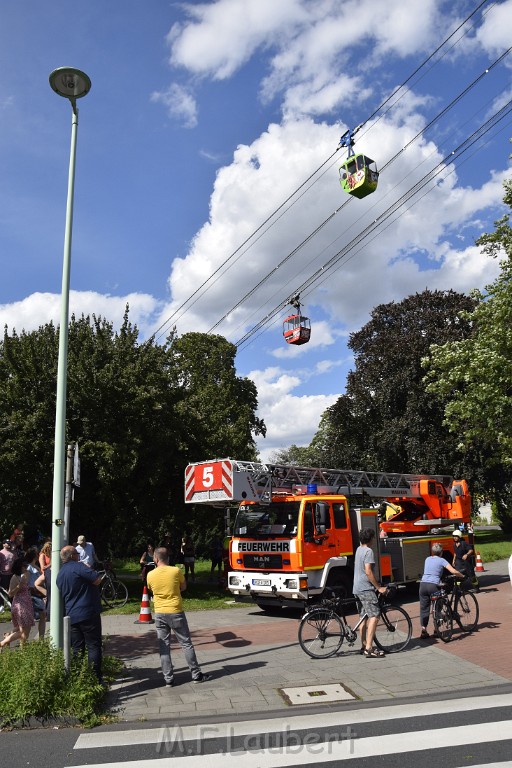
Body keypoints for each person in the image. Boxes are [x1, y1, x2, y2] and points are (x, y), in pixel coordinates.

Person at [146, 546, 211, 686]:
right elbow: (184, 587)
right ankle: (196, 675)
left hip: (159, 613)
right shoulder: (176, 571)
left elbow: (151, 589)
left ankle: (168, 679)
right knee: (186, 643)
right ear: (167, 558)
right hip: (176, 611)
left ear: (156, 559)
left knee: (164, 647)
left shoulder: (150, 575)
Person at [56, 545, 103, 682]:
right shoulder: (79, 567)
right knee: (93, 646)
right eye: (77, 553)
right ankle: (95, 679)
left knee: (77, 648)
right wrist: (88, 567)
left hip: (72, 616)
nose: (79, 555)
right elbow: (97, 579)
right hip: (88, 613)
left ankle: (78, 679)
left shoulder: (60, 574)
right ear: (72, 556)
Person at [352, 528, 388, 658]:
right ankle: (369, 648)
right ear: (371, 538)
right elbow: (368, 571)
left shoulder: (358, 549)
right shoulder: (368, 551)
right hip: (365, 588)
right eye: (373, 537)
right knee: (375, 616)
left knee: (363, 616)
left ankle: (363, 645)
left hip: (356, 587)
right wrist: (378, 588)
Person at [419, 542, 464, 638]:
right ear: (441, 552)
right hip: (433, 585)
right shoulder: (442, 560)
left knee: (424, 608)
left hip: (423, 585)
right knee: (438, 606)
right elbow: (453, 571)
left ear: (432, 552)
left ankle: (423, 630)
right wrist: (462, 575)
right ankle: (436, 629)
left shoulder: (427, 559)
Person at [0, 558, 35, 649]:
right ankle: (4, 643)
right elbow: (10, 594)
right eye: (24, 566)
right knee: (24, 631)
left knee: (24, 629)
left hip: (27, 605)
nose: (26, 567)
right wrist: (19, 586)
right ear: (20, 567)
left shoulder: (25, 575)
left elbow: (34, 569)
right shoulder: (15, 577)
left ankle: (8, 637)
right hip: (20, 606)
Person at [24, 547, 46, 639]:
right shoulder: (29, 568)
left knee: (42, 616)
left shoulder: (34, 567)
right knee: (31, 620)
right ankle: (10, 636)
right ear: (34, 557)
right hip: (33, 594)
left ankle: (41, 638)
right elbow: (26, 582)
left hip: (37, 594)